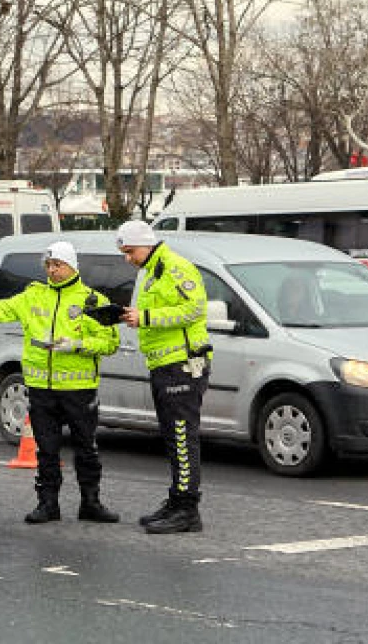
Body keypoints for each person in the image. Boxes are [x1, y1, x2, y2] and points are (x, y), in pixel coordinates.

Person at [0, 241, 121, 525]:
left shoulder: (92, 301)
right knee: (46, 448)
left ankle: (91, 502)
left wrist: (76, 345)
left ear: (72, 266)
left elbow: (110, 343)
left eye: (58, 265)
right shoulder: (33, 296)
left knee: (86, 448)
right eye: (49, 265)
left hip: (78, 390)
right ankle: (48, 504)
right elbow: (1, 310)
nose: (53, 270)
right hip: (41, 387)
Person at [115, 220, 211, 534]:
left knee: (183, 437)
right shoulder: (150, 272)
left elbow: (195, 309)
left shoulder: (174, 267)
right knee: (173, 438)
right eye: (123, 253)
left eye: (130, 251)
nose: (127, 258)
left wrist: (145, 317)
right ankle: (177, 499)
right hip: (163, 364)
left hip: (182, 364)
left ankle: (187, 510)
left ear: (146, 243)